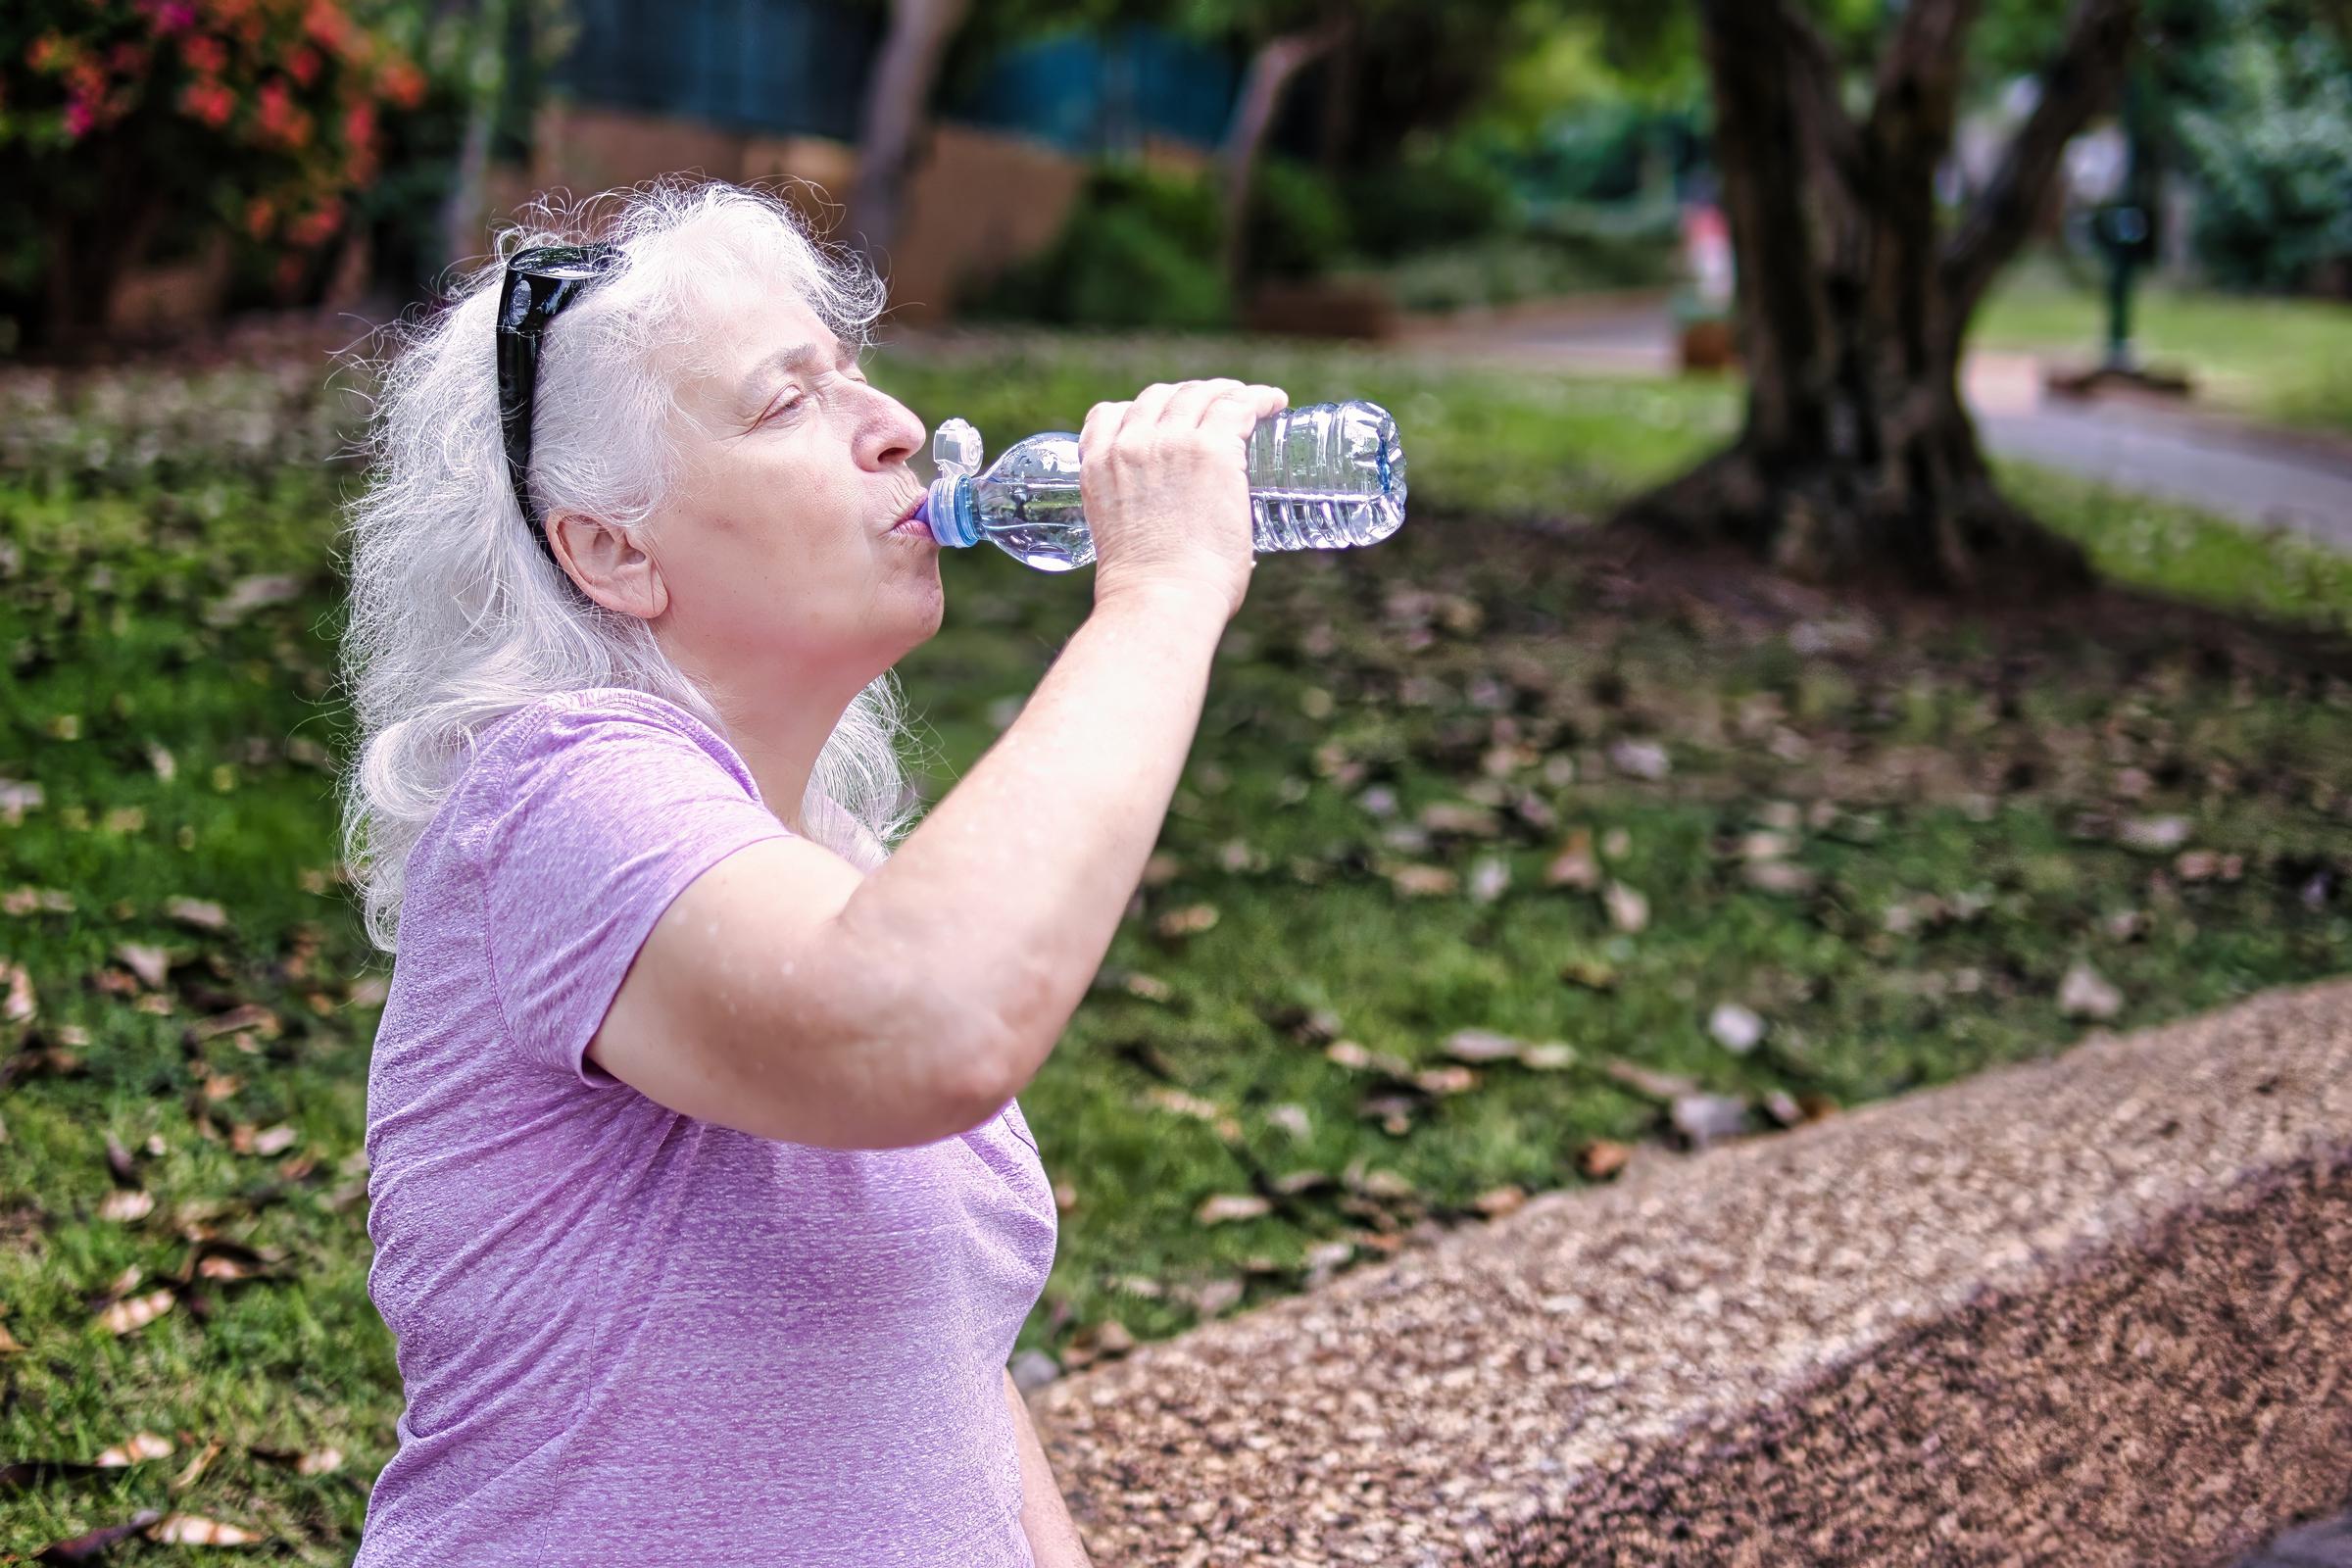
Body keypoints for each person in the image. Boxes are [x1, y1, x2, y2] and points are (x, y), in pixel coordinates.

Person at [334, 178, 1284, 1566]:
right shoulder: (554, 795)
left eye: (855, 379)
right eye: (787, 403)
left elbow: (940, 1384)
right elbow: (917, 1022)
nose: (897, 427)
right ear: (609, 549)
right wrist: (1159, 593)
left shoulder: (823, 872)